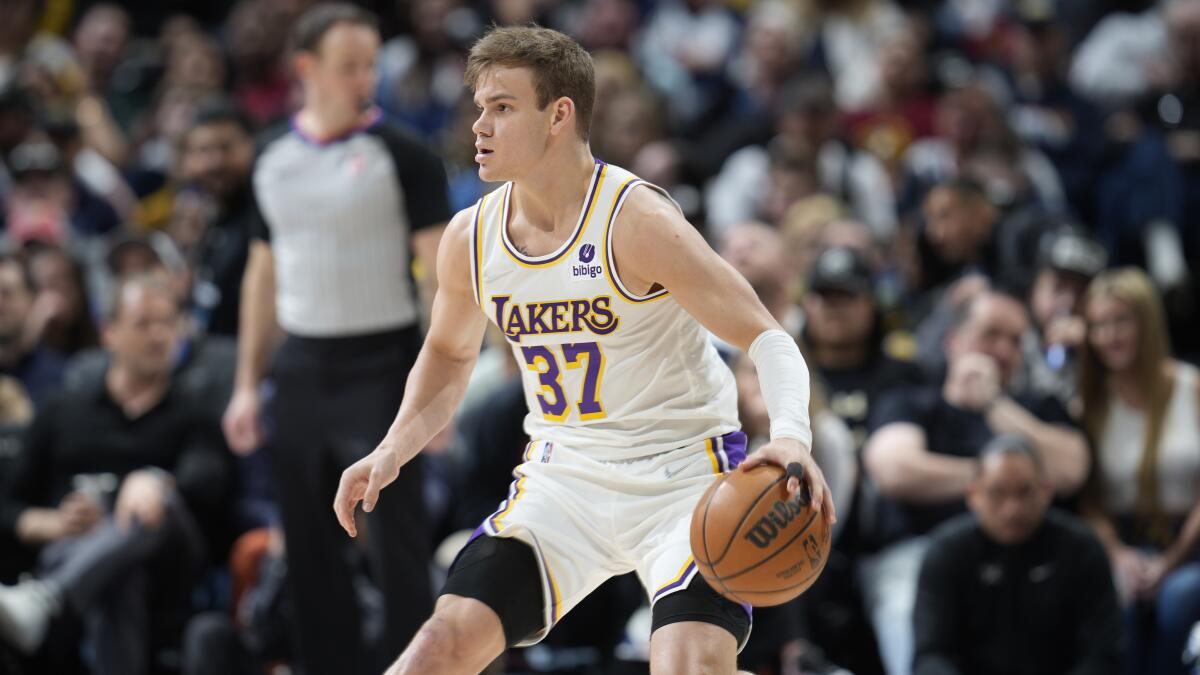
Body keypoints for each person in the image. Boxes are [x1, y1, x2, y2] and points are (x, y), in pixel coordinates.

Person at [332, 25, 835, 675]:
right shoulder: (471, 237)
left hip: (683, 477)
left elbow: (768, 335)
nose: (478, 124)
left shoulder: (635, 220)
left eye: (503, 107)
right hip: (563, 481)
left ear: (558, 116)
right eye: (479, 106)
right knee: (437, 647)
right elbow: (451, 355)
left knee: (690, 664)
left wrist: (792, 436)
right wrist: (391, 448)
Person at [219, 5, 451, 675]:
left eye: (371, 65)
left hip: (387, 362)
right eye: (349, 66)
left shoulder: (404, 154)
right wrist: (245, 383)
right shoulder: (270, 157)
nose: (364, 78)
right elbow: (263, 275)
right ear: (306, 70)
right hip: (302, 366)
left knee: (396, 545)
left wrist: (438, 393)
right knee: (311, 544)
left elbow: (443, 281)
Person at [0, 273, 231, 673]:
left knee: (153, 501)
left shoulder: (193, 413)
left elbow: (209, 477)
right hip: (75, 551)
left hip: (168, 563)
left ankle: (45, 598)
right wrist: (53, 522)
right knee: (120, 576)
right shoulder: (62, 411)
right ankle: (60, 589)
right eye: (144, 323)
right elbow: (9, 505)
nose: (159, 335)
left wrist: (154, 480)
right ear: (109, 333)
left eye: (168, 322)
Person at [861, 288, 1090, 675]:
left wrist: (995, 405)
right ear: (954, 341)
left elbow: (1071, 469)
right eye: (990, 334)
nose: (1002, 350)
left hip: (1025, 555)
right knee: (903, 607)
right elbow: (894, 470)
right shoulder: (911, 402)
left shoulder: (1036, 407)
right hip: (916, 552)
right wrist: (1002, 479)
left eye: (1015, 341)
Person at [913, 434, 1124, 675]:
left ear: (1046, 491)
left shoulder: (1082, 548)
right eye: (997, 493)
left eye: (1025, 492)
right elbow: (930, 654)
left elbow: (1105, 651)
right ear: (974, 495)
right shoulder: (946, 552)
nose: (1012, 509)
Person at [1077, 267, 1200, 675]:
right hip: (1123, 543)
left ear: (1146, 321)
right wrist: (1117, 553)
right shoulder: (1088, 403)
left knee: (1178, 600)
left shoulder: (1192, 387)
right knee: (1119, 600)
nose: (1108, 336)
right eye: (1097, 325)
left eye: (1119, 321)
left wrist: (1173, 559)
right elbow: (1089, 499)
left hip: (1190, 542)